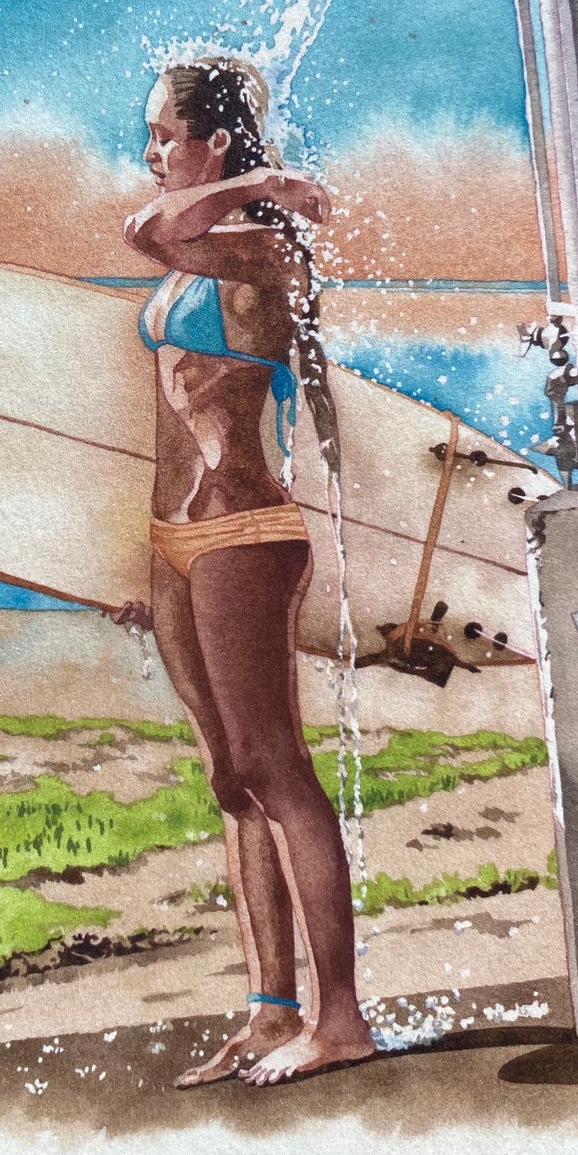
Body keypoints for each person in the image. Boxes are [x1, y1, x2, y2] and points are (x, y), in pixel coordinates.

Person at [115, 56, 374, 1087]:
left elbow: (144, 229)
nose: (149, 152)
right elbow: (158, 240)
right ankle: (272, 1011)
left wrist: (263, 184)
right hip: (174, 539)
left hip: (242, 531)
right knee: (230, 777)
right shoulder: (203, 254)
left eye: (164, 135)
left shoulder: (268, 247)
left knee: (275, 767)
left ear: (214, 141)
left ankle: (341, 1018)